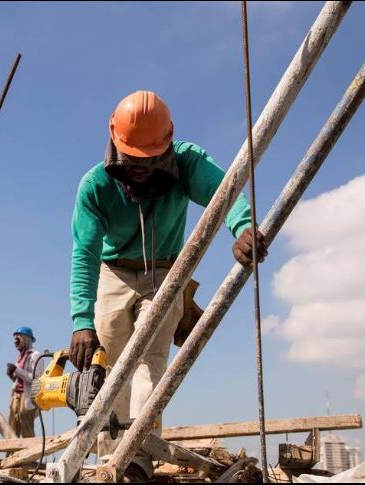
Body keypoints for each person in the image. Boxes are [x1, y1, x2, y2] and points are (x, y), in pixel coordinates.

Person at [69, 91, 267, 481]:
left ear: (167, 141)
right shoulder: (95, 186)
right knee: (110, 370)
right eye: (130, 159)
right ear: (114, 140)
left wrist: (243, 226)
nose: (139, 167)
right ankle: (112, 462)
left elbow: (224, 192)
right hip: (113, 273)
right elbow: (85, 253)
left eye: (148, 159)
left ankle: (137, 458)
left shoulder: (188, 162)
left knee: (149, 364)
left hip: (164, 273)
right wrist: (81, 319)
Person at [5, 326, 42, 438]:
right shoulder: (20, 357)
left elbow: (36, 378)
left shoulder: (35, 356)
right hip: (16, 397)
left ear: (26, 339)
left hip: (26, 398)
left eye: (18, 339)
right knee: (12, 430)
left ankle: (31, 453)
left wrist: (16, 370)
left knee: (26, 429)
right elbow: (20, 379)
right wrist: (12, 375)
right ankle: (11, 454)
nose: (15, 342)